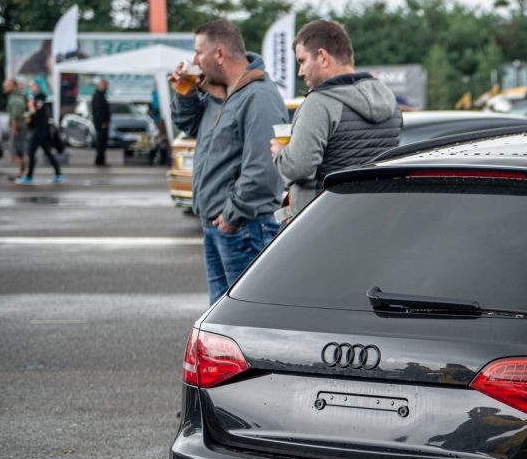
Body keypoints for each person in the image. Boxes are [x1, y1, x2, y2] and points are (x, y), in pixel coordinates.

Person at [170, 19, 287, 304]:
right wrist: (186, 92)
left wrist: (232, 216)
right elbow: (189, 125)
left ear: (219, 54)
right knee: (221, 316)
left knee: (245, 316)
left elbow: (264, 168)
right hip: (219, 226)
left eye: (199, 52)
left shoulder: (259, 97)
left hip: (243, 228)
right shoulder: (219, 94)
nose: (194, 60)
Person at [272, 19, 400, 216]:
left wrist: (281, 153)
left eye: (302, 61)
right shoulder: (387, 97)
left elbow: (299, 167)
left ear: (323, 57)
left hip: (323, 220)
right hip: (377, 216)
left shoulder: (319, 103)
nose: (300, 72)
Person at [16, 80, 64, 185]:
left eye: (33, 85)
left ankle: (29, 177)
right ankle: (58, 174)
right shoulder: (36, 98)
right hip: (41, 129)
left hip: (40, 130)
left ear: (38, 86)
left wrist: (31, 108)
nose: (31, 87)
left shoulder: (39, 99)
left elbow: (37, 115)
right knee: (48, 152)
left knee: (31, 152)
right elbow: (32, 117)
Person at [5, 79, 28, 179]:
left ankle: (22, 174)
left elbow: (16, 114)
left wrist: (14, 128)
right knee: (19, 152)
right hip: (19, 127)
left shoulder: (16, 98)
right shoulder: (15, 96)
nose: (5, 87)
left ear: (14, 86)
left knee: (20, 152)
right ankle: (21, 174)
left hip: (18, 128)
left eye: (7, 85)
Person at [91, 78, 111, 165]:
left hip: (102, 123)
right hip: (101, 124)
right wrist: (103, 122)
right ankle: (100, 160)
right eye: (105, 85)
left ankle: (101, 159)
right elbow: (99, 111)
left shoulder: (100, 95)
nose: (107, 87)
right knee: (101, 142)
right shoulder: (98, 96)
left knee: (102, 142)